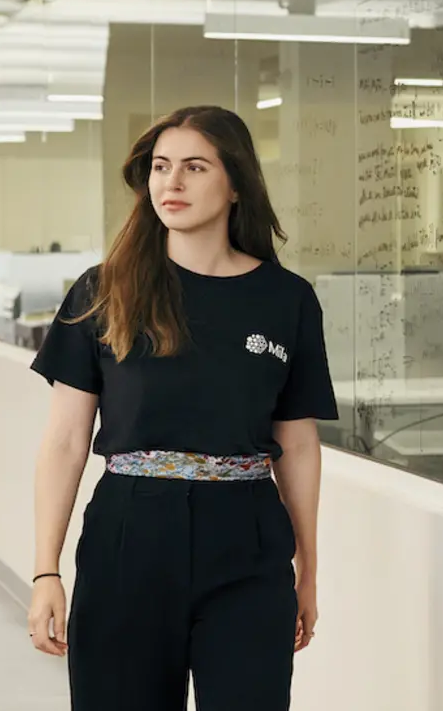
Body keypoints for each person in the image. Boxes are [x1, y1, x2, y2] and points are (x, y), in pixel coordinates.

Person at [25, 106, 334, 711]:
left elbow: (296, 445)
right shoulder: (103, 290)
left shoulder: (287, 300)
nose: (172, 182)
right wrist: (45, 571)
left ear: (237, 182)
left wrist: (309, 571)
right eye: (161, 167)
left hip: (247, 545)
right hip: (127, 539)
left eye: (195, 167)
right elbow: (64, 441)